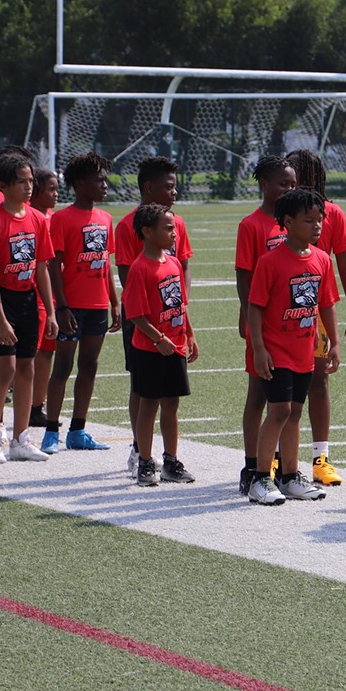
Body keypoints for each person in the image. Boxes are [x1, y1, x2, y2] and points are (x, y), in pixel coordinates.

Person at [245, 188, 340, 506]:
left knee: (295, 412)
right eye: (309, 220)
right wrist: (259, 348)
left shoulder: (323, 260)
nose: (317, 226)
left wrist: (334, 343)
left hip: (305, 351)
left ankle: (289, 476)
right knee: (280, 410)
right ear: (288, 221)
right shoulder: (270, 262)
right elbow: (255, 307)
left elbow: (326, 305)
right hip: (277, 349)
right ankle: (260, 478)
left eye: (320, 220)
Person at [285, 149, 346, 487]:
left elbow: (344, 263)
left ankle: (320, 458)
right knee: (280, 390)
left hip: (312, 315)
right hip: (280, 316)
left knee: (319, 383)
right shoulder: (281, 214)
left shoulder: (333, 214)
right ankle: (275, 459)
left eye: (293, 172)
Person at [0, 152, 57, 463]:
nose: (28, 187)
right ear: (2, 185)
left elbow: (41, 269)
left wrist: (50, 312)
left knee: (28, 367)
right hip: (0, 301)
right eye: (21, 181)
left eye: (30, 181)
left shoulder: (37, 219)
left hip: (27, 300)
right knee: (6, 368)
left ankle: (21, 438)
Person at [115, 156, 192, 475]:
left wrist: (183, 315)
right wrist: (153, 326)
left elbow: (183, 264)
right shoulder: (127, 227)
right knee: (142, 388)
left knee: (171, 399)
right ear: (149, 187)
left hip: (173, 326)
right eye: (168, 186)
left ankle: (169, 459)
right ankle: (140, 450)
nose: (175, 192)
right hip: (145, 323)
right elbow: (126, 275)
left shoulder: (176, 224)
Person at [44, 153, 119, 453]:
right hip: (71, 307)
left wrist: (115, 301)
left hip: (98, 305)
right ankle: (51, 431)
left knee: (89, 366)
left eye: (104, 179)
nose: (104, 185)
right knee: (62, 367)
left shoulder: (105, 218)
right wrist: (61, 307)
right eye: (98, 180)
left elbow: (106, 262)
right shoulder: (62, 219)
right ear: (78, 184)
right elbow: (53, 266)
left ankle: (78, 430)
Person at [234, 154, 296, 494]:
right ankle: (250, 464)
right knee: (258, 392)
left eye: (292, 183)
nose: (288, 188)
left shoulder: (294, 224)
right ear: (264, 185)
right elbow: (244, 276)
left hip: (291, 327)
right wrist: (248, 316)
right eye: (282, 183)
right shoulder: (252, 225)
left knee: (285, 399)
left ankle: (280, 465)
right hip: (263, 324)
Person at [27, 166, 59, 435]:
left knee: (47, 351)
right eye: (51, 189)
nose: (56, 194)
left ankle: (38, 405)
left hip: (51, 297)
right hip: (31, 295)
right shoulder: (32, 218)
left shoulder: (53, 218)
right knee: (29, 353)